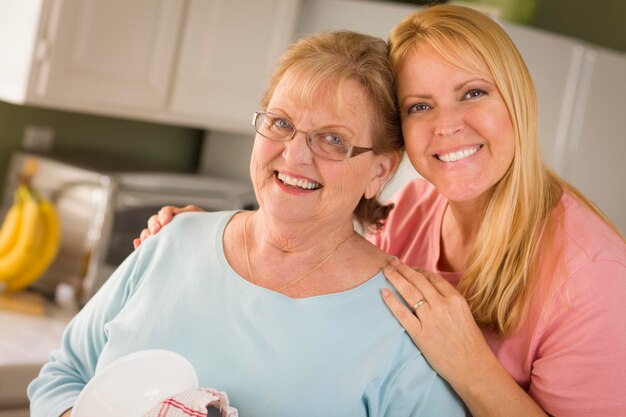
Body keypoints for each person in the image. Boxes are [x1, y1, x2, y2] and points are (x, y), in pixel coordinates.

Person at [136, 4, 626, 417]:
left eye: (473, 93)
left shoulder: (595, 278)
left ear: (519, 99)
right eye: (419, 106)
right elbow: (331, 272)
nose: (447, 126)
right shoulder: (414, 207)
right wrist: (215, 241)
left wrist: (471, 364)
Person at [28, 30, 467, 417]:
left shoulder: (401, 320)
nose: (295, 155)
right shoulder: (173, 241)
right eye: (281, 123)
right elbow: (63, 376)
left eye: (333, 140)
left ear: (379, 171)